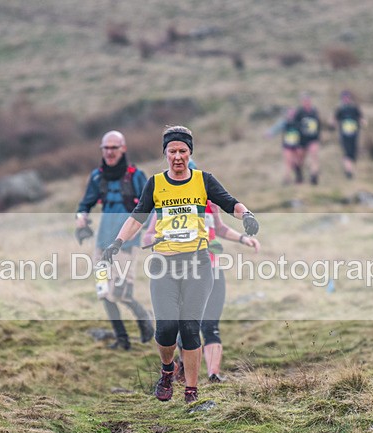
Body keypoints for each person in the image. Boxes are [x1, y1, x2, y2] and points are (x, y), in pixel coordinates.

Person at [102, 125, 259, 403]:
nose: (177, 156)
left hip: (199, 263)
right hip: (164, 265)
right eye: (172, 151)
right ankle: (166, 370)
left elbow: (229, 202)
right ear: (165, 154)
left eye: (182, 151)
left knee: (189, 328)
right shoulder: (155, 184)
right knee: (165, 330)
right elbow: (137, 218)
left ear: (190, 153)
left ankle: (191, 389)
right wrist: (116, 242)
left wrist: (246, 215)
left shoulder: (203, 180)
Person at [143, 198, 261, 383]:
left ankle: (214, 375)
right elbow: (147, 236)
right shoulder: (168, 205)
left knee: (210, 325)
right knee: (186, 326)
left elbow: (219, 228)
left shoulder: (211, 204)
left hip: (211, 269)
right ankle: (182, 369)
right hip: (183, 272)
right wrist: (161, 238)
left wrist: (242, 238)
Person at [75, 130, 154, 350]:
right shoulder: (97, 176)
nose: (109, 152)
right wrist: (81, 220)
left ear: (123, 149)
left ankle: (144, 319)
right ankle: (122, 340)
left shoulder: (136, 176)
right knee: (104, 292)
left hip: (126, 244)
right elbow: (85, 204)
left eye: (114, 147)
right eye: (106, 148)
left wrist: (150, 230)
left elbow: (151, 205)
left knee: (121, 292)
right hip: (102, 243)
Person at [331, 90, 367, 180]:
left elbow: (361, 117)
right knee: (347, 153)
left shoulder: (354, 108)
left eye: (347, 97)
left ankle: (351, 170)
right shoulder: (340, 109)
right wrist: (333, 124)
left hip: (354, 134)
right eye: (344, 98)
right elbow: (334, 119)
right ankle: (349, 172)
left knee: (353, 154)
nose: (346, 99)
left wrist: (363, 122)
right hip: (344, 135)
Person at [265, 107, 302, 185]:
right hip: (287, 146)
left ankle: (298, 176)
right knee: (288, 161)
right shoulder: (284, 122)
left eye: (293, 113)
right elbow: (276, 128)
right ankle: (287, 179)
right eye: (290, 113)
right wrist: (269, 133)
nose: (291, 115)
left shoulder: (299, 121)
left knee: (296, 162)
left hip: (296, 146)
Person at [294, 93, 322, 185]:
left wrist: (318, 135)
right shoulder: (299, 112)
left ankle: (314, 176)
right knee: (300, 159)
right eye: (305, 101)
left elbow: (318, 124)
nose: (307, 103)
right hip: (302, 139)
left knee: (314, 155)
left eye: (308, 101)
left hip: (313, 138)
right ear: (302, 102)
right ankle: (299, 173)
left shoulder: (314, 111)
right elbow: (295, 125)